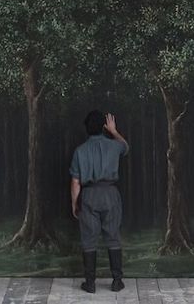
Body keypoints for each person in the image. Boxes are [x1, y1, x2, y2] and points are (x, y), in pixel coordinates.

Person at [69, 110, 129, 293]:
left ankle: (90, 283)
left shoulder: (80, 151)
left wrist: (74, 203)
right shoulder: (114, 146)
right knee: (113, 236)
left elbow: (75, 182)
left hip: (89, 196)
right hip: (110, 194)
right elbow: (125, 147)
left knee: (89, 239)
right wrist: (114, 131)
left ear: (86, 129)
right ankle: (117, 281)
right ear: (103, 127)